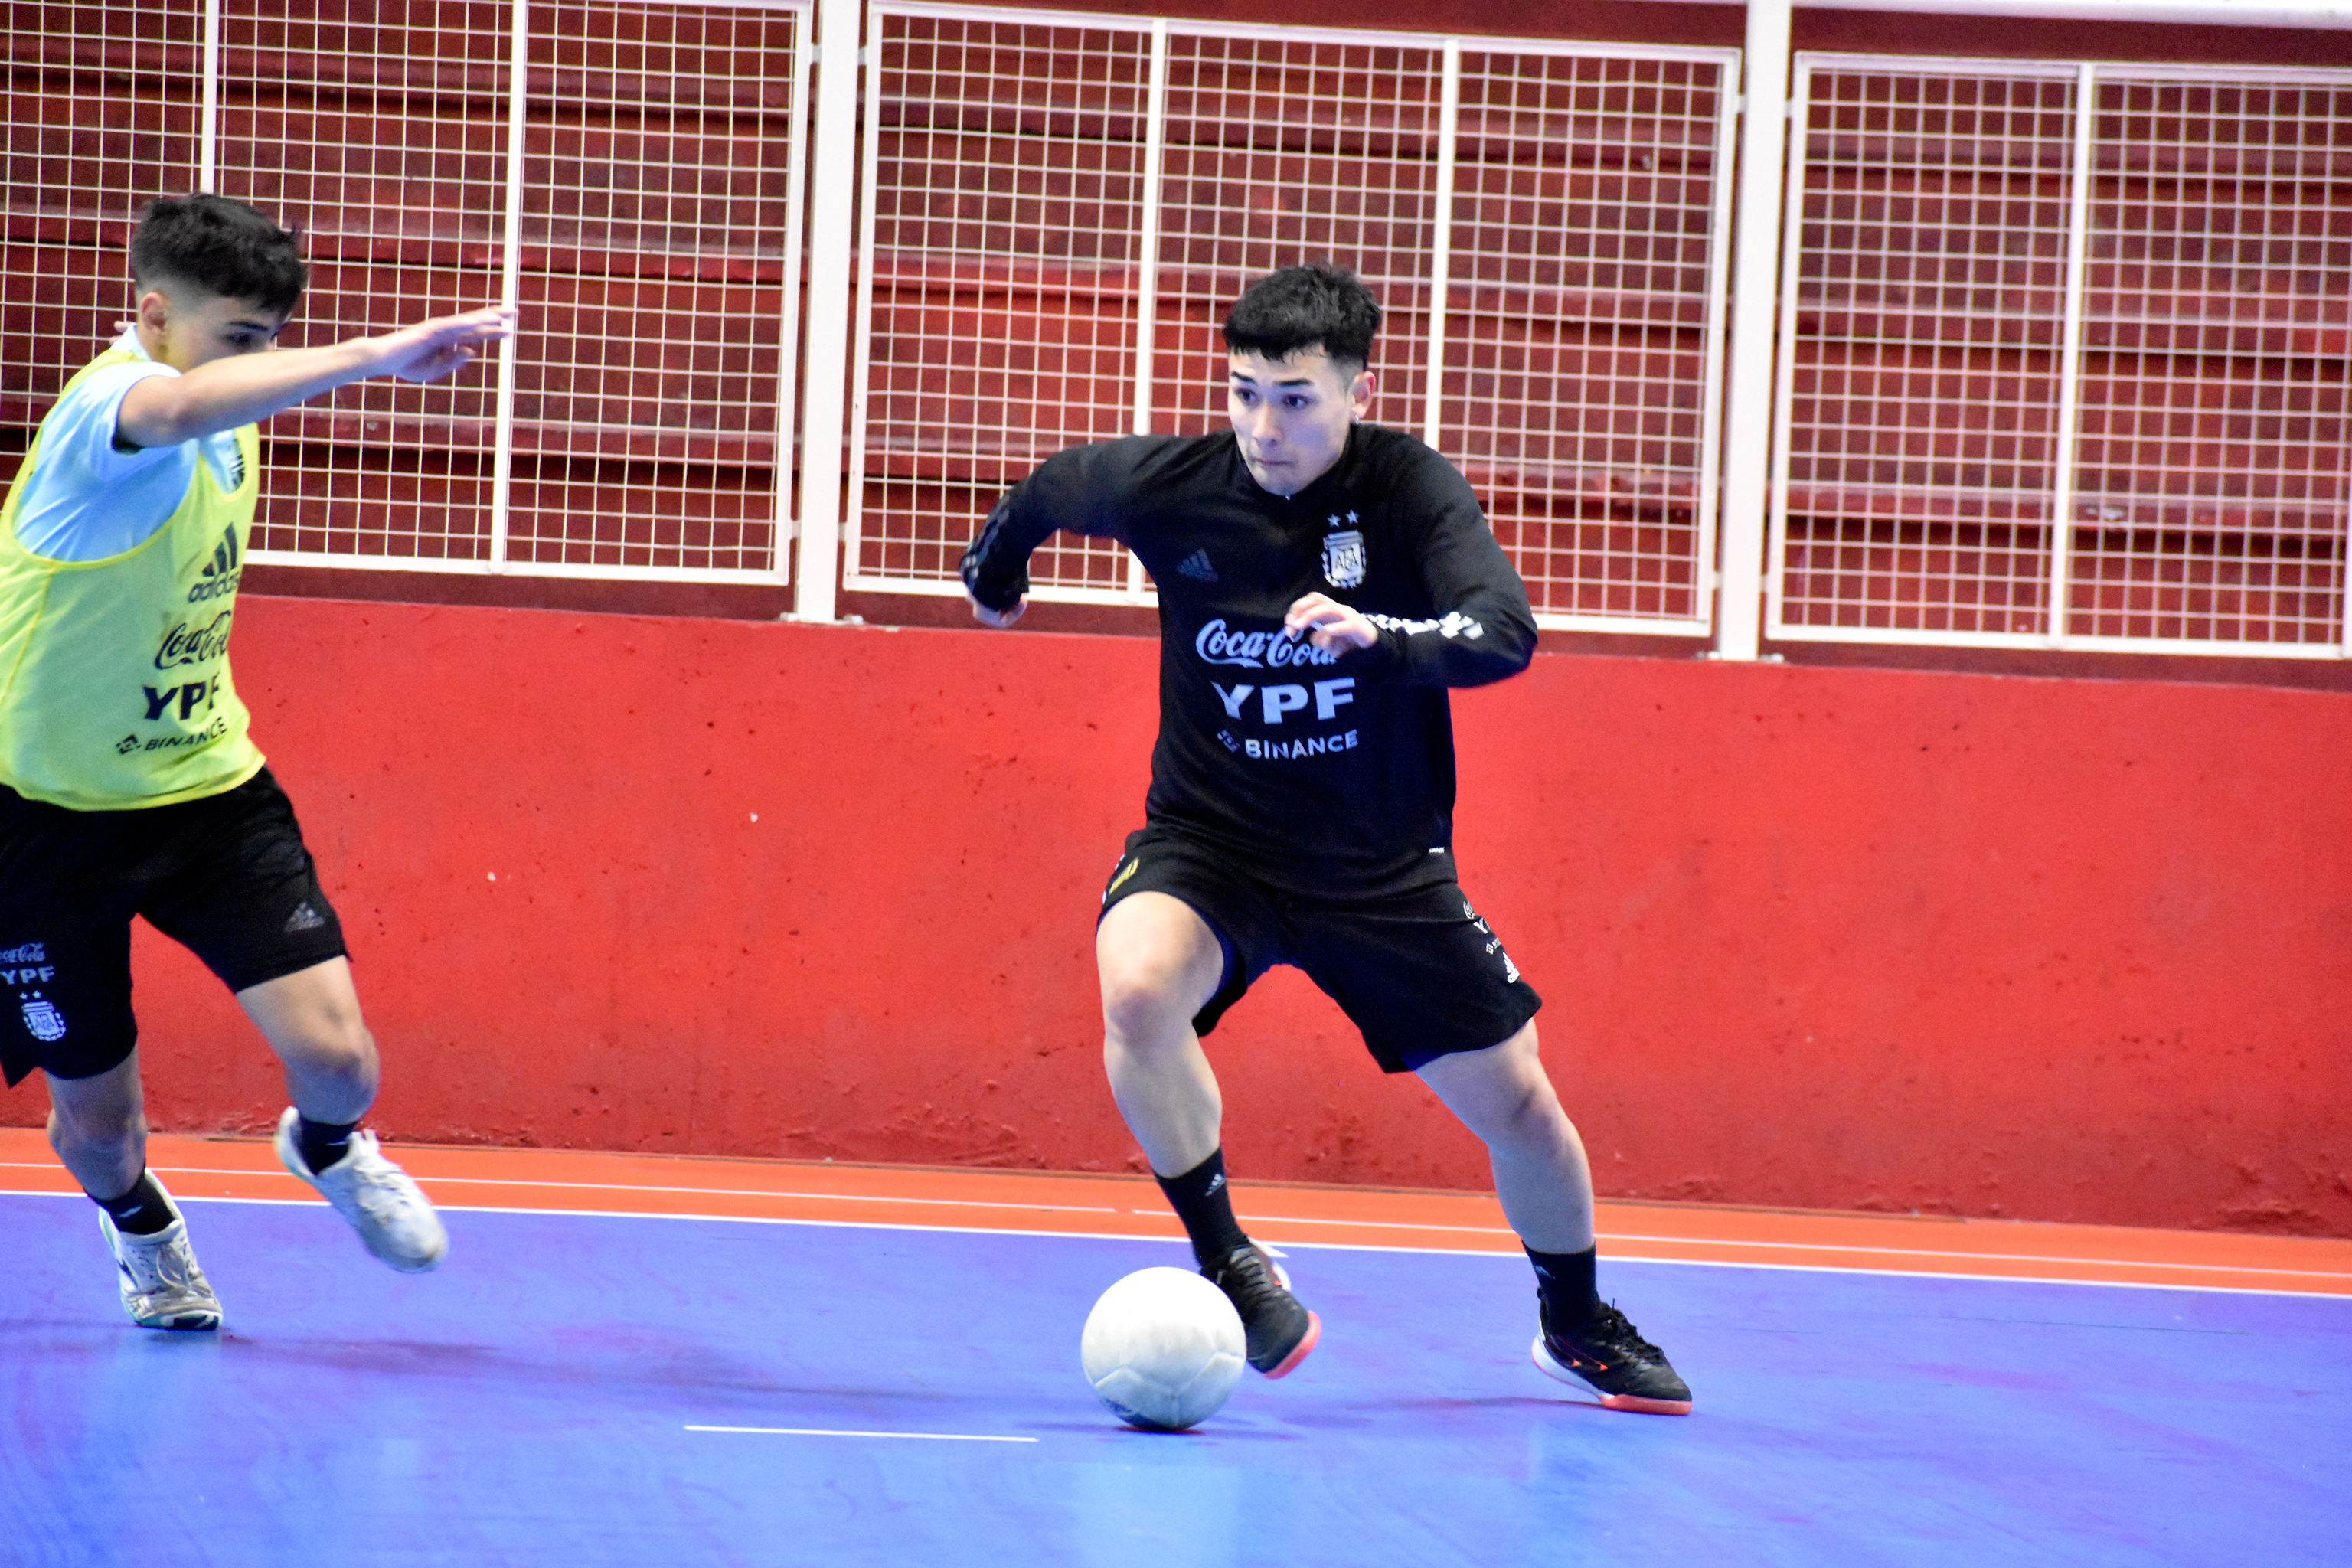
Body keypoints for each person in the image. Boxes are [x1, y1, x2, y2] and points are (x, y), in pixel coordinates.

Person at [961, 263, 1690, 1414]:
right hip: (1213, 844)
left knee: (1525, 1112)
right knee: (1139, 988)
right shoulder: (1173, 486)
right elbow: (1051, 488)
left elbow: (1503, 632)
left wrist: (1379, 636)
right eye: (1244, 391)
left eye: (1296, 398)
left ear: (1356, 388)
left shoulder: (1407, 491)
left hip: (1380, 872)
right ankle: (1232, 1260)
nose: (1264, 425)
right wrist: (994, 580)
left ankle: (1574, 1319)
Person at [0, 192, 514, 1331]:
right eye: (239, 337)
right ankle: (143, 1231)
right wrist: (380, 354)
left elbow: (209, 399)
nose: (258, 363)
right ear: (154, 314)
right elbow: (177, 405)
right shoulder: (111, 415)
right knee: (100, 1131)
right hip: (39, 824)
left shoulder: (228, 413)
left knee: (341, 1060)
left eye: (269, 341)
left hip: (205, 795)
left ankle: (324, 1147)